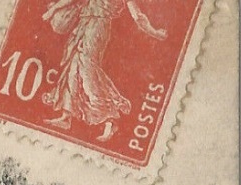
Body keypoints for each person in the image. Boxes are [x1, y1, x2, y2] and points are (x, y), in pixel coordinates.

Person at [39, 0, 168, 141]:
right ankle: (66, 116)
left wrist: (154, 32)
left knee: (87, 70)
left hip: (97, 27)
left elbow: (137, 15)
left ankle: (110, 118)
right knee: (74, 64)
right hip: (84, 24)